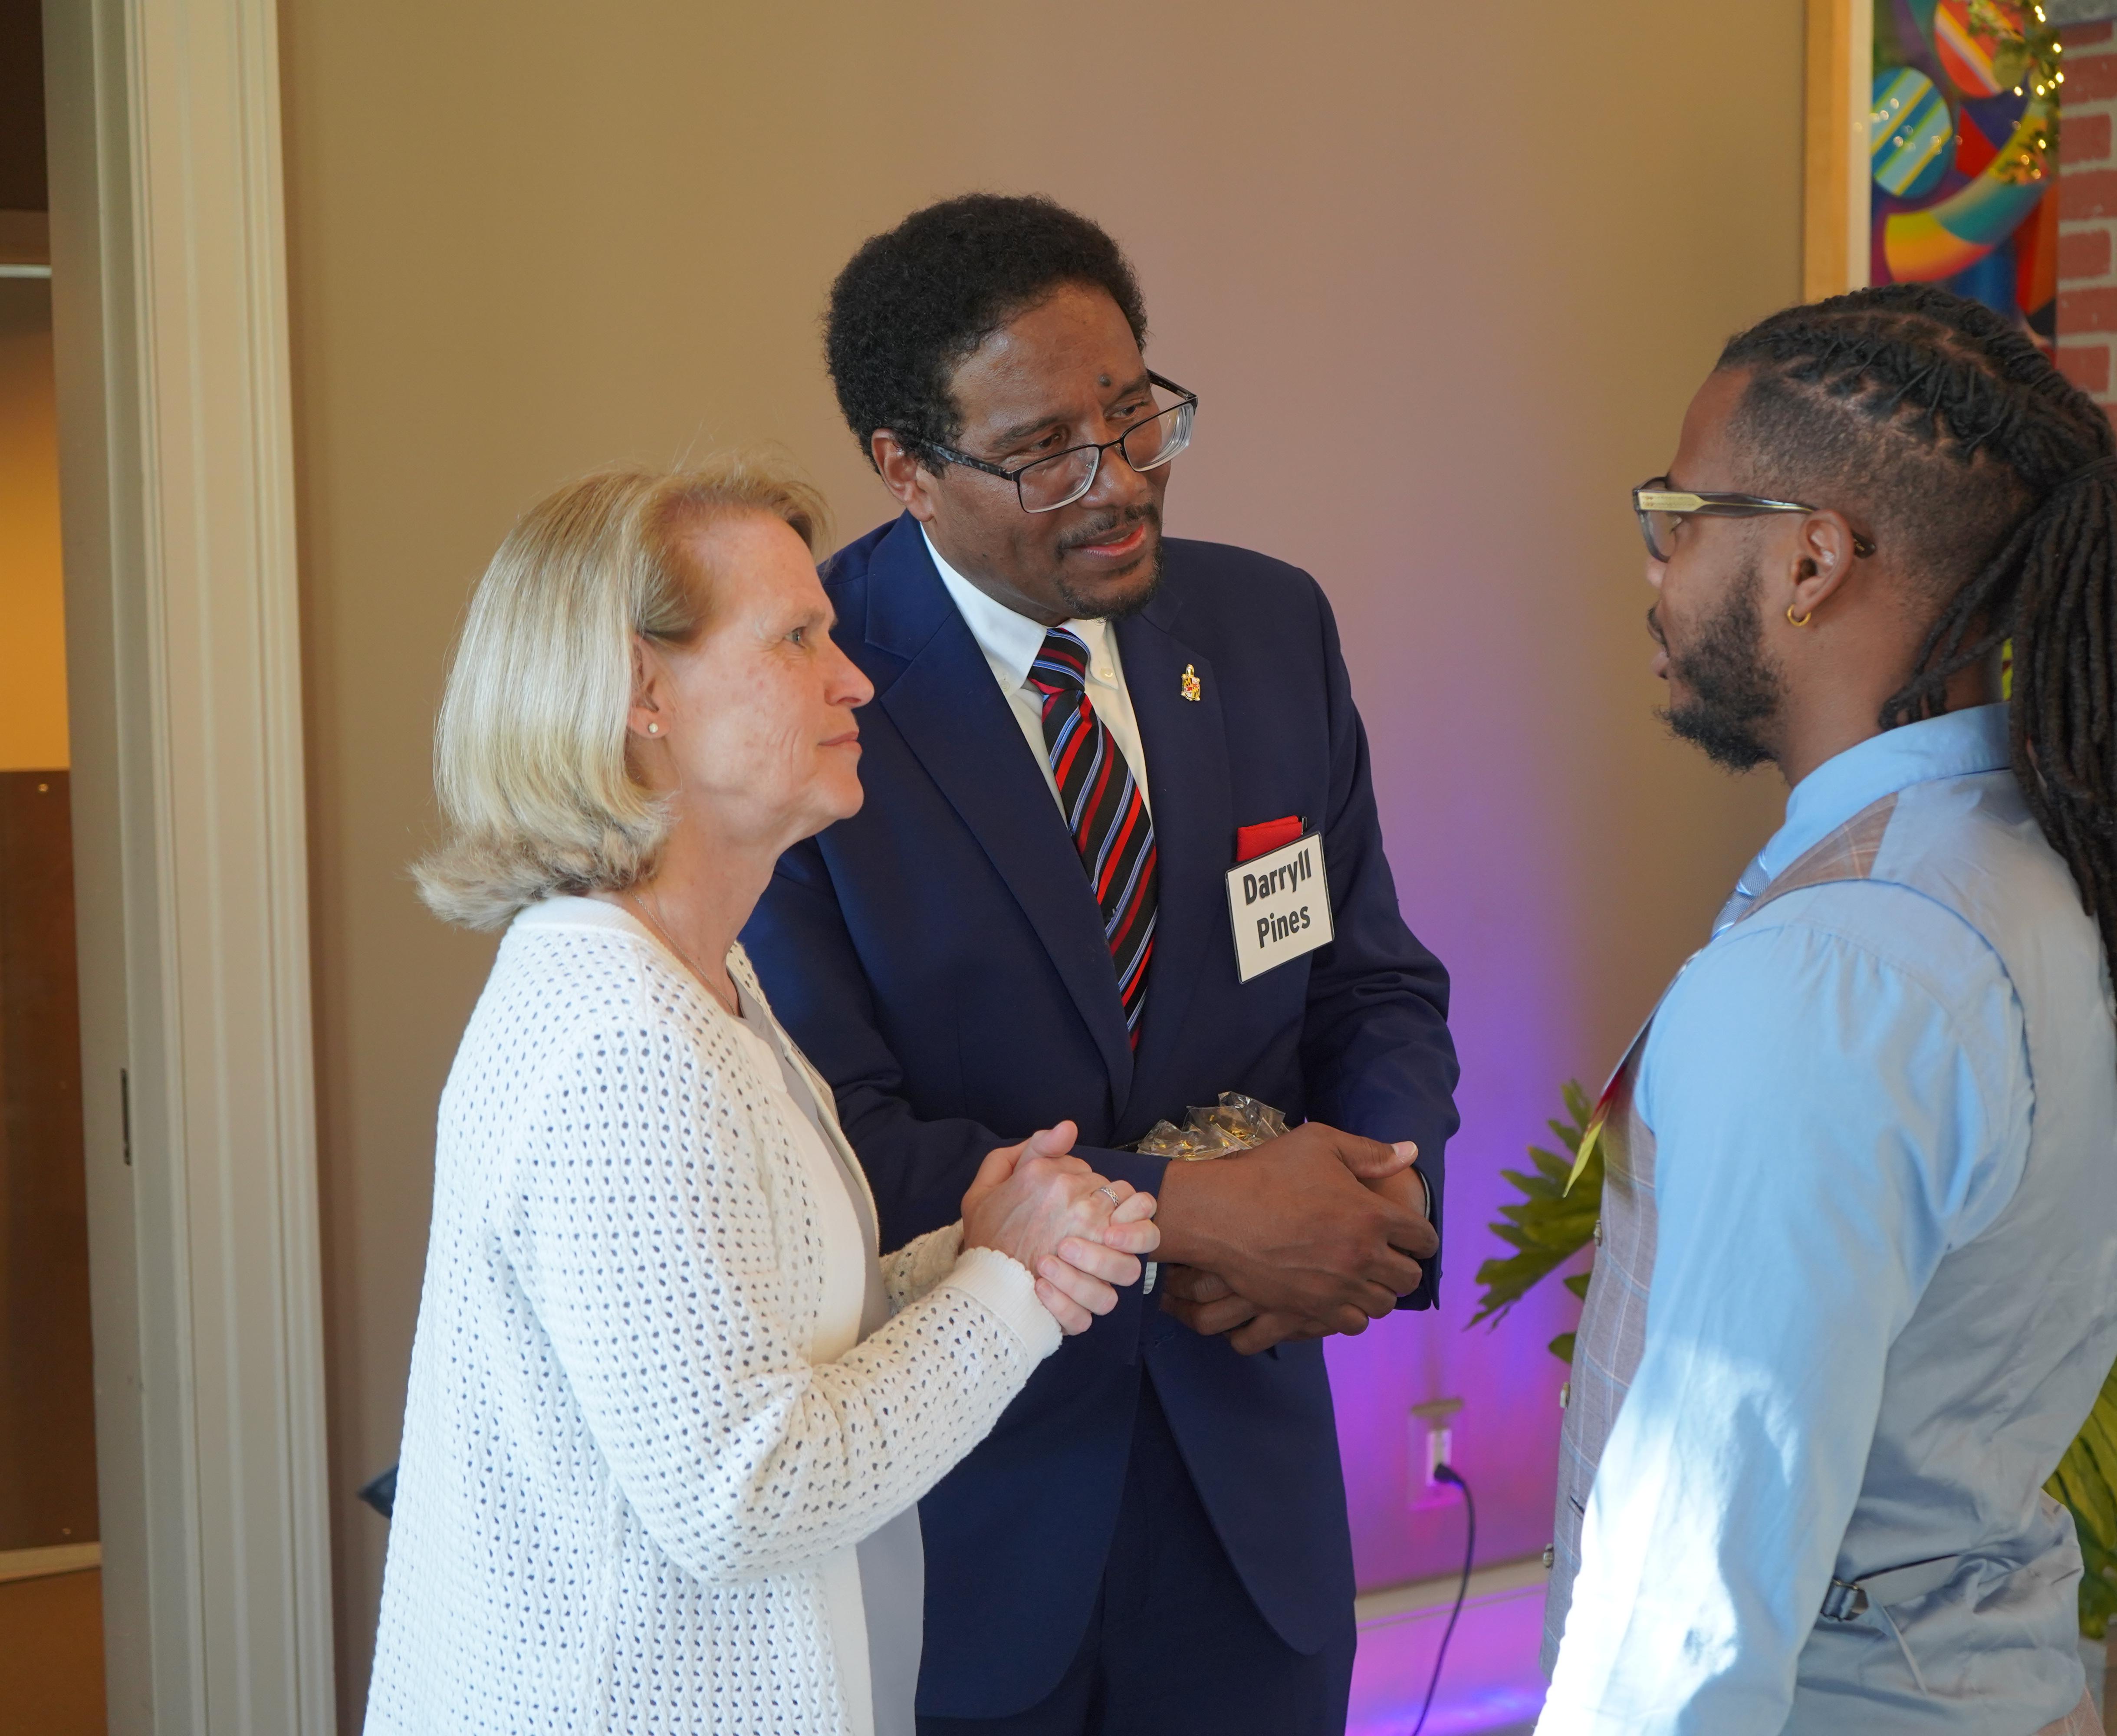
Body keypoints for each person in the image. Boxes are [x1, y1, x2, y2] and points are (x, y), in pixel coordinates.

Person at [738, 194, 1457, 1735]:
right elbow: (829, 1145)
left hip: (1245, 1498)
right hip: (967, 1522)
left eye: (1137, 415)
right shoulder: (814, 688)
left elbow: (1369, 982)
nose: (1119, 481)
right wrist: (1198, 1212)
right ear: (905, 466)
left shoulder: (1269, 626)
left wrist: (1377, 1205)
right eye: (1045, 449)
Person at [363, 460, 1160, 1736]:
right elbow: (749, 1492)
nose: (854, 680)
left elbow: (751, 1338)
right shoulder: (620, 1038)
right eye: (796, 639)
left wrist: (980, 1248)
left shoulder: (703, 980)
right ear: (642, 694)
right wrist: (1010, 1291)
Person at [1539, 283, 2117, 1733]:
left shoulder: (1839, 977)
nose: (1654, 569)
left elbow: (1700, 1586)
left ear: (1814, 558)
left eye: (1681, 517)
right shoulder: (2058, 883)